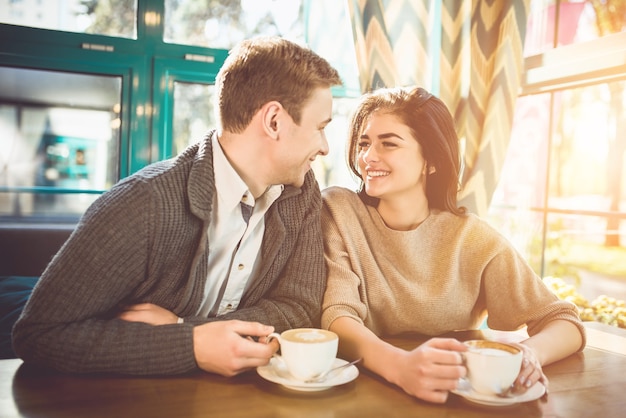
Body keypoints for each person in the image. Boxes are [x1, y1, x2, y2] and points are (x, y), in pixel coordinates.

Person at [12, 36, 342, 376]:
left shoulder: (301, 194)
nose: (325, 147)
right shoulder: (142, 204)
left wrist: (186, 327)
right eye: (320, 128)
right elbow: (38, 334)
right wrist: (192, 346)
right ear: (274, 121)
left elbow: (300, 307)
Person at [320, 86, 586, 403]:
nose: (368, 157)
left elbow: (564, 321)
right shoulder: (338, 211)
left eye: (388, 144)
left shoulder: (472, 238)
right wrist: (401, 367)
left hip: (451, 396)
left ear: (430, 161)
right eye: (364, 144)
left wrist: (527, 355)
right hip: (362, 393)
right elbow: (338, 317)